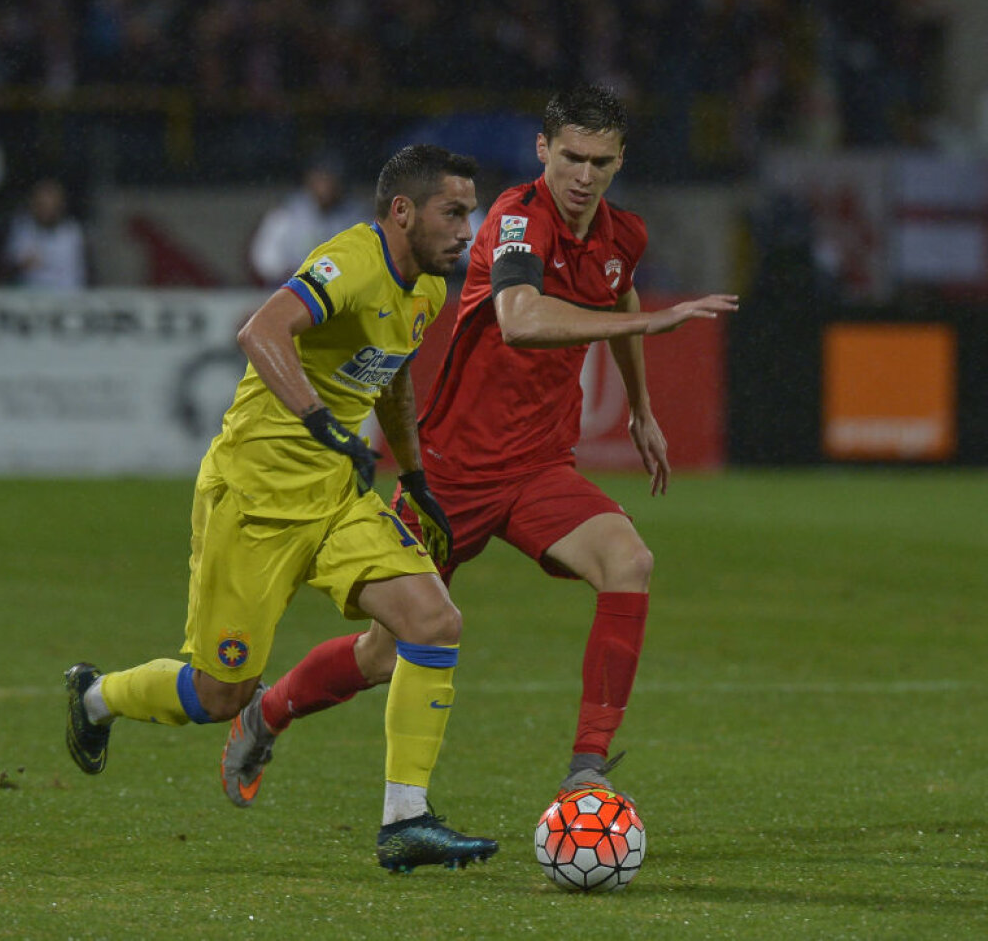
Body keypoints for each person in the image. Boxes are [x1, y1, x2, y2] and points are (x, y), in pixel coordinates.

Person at [220, 84, 738, 809]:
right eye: (571, 157)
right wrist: (651, 326)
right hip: (451, 471)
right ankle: (266, 711)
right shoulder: (514, 219)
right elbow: (521, 319)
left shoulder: (624, 236)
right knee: (382, 652)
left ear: (620, 161)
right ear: (542, 151)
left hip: (539, 467)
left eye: (601, 161)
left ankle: (586, 768)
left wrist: (641, 409)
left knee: (629, 561)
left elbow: (617, 291)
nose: (584, 176)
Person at [64, 143, 499, 873]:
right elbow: (261, 331)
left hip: (336, 496)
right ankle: (97, 697)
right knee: (215, 691)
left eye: (471, 211)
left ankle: (405, 820)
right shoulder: (352, 262)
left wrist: (416, 474)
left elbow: (389, 380)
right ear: (402, 211)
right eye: (453, 211)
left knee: (433, 622)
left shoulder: (425, 287)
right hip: (255, 501)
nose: (468, 228)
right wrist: (320, 421)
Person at [247, 153, 365, 286]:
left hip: (341, 292)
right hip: (293, 290)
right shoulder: (287, 213)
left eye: (331, 178)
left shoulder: (356, 216)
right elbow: (265, 260)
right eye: (320, 178)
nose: (326, 185)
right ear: (309, 179)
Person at [2, 177, 88, 289]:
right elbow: (15, 263)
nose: (47, 209)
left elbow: (81, 268)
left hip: (68, 296)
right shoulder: (23, 228)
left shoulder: (72, 231)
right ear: (33, 204)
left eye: (51, 203)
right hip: (31, 298)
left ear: (60, 204)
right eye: (41, 204)